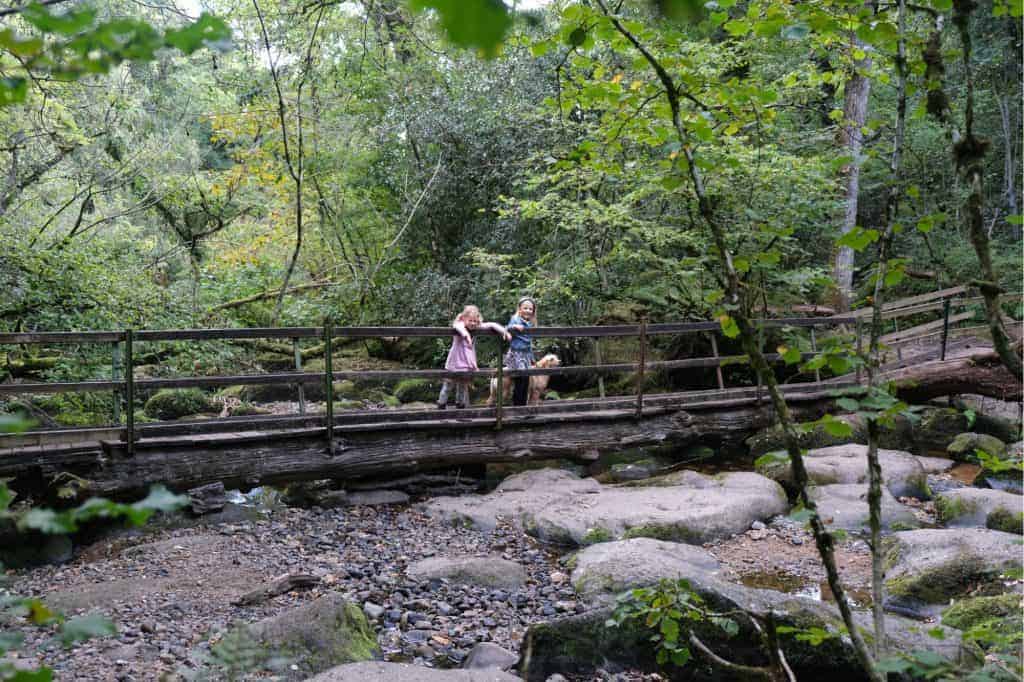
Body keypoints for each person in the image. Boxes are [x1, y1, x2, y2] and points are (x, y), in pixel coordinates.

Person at [437, 305, 509, 409]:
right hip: (454, 361)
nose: (473, 323)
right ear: (464, 318)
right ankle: (441, 404)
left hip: (466, 363)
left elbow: (491, 325)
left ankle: (460, 405)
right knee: (448, 385)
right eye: (470, 320)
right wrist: (466, 335)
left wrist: (504, 331)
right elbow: (458, 327)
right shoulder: (459, 324)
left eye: (475, 321)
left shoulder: (475, 326)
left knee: (462, 385)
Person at [505, 296, 537, 407]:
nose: (528, 311)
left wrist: (532, 359)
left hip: (526, 355)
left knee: (526, 380)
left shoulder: (530, 323)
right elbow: (507, 328)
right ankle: (517, 405)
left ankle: (522, 405)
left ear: (533, 312)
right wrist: (514, 326)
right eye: (525, 308)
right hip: (517, 354)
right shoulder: (515, 319)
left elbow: (529, 344)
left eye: (530, 309)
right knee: (520, 379)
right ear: (519, 309)